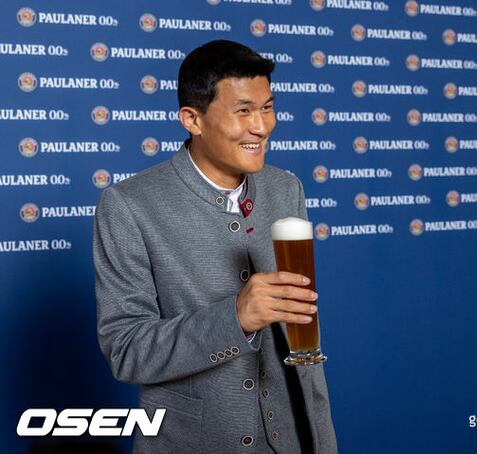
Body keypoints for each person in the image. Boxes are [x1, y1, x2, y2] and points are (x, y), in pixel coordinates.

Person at [93, 40, 337, 453]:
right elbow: (127, 350)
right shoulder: (129, 206)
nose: (261, 127)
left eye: (267, 108)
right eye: (243, 111)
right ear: (193, 119)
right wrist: (235, 317)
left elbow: (305, 346)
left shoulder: (286, 189)